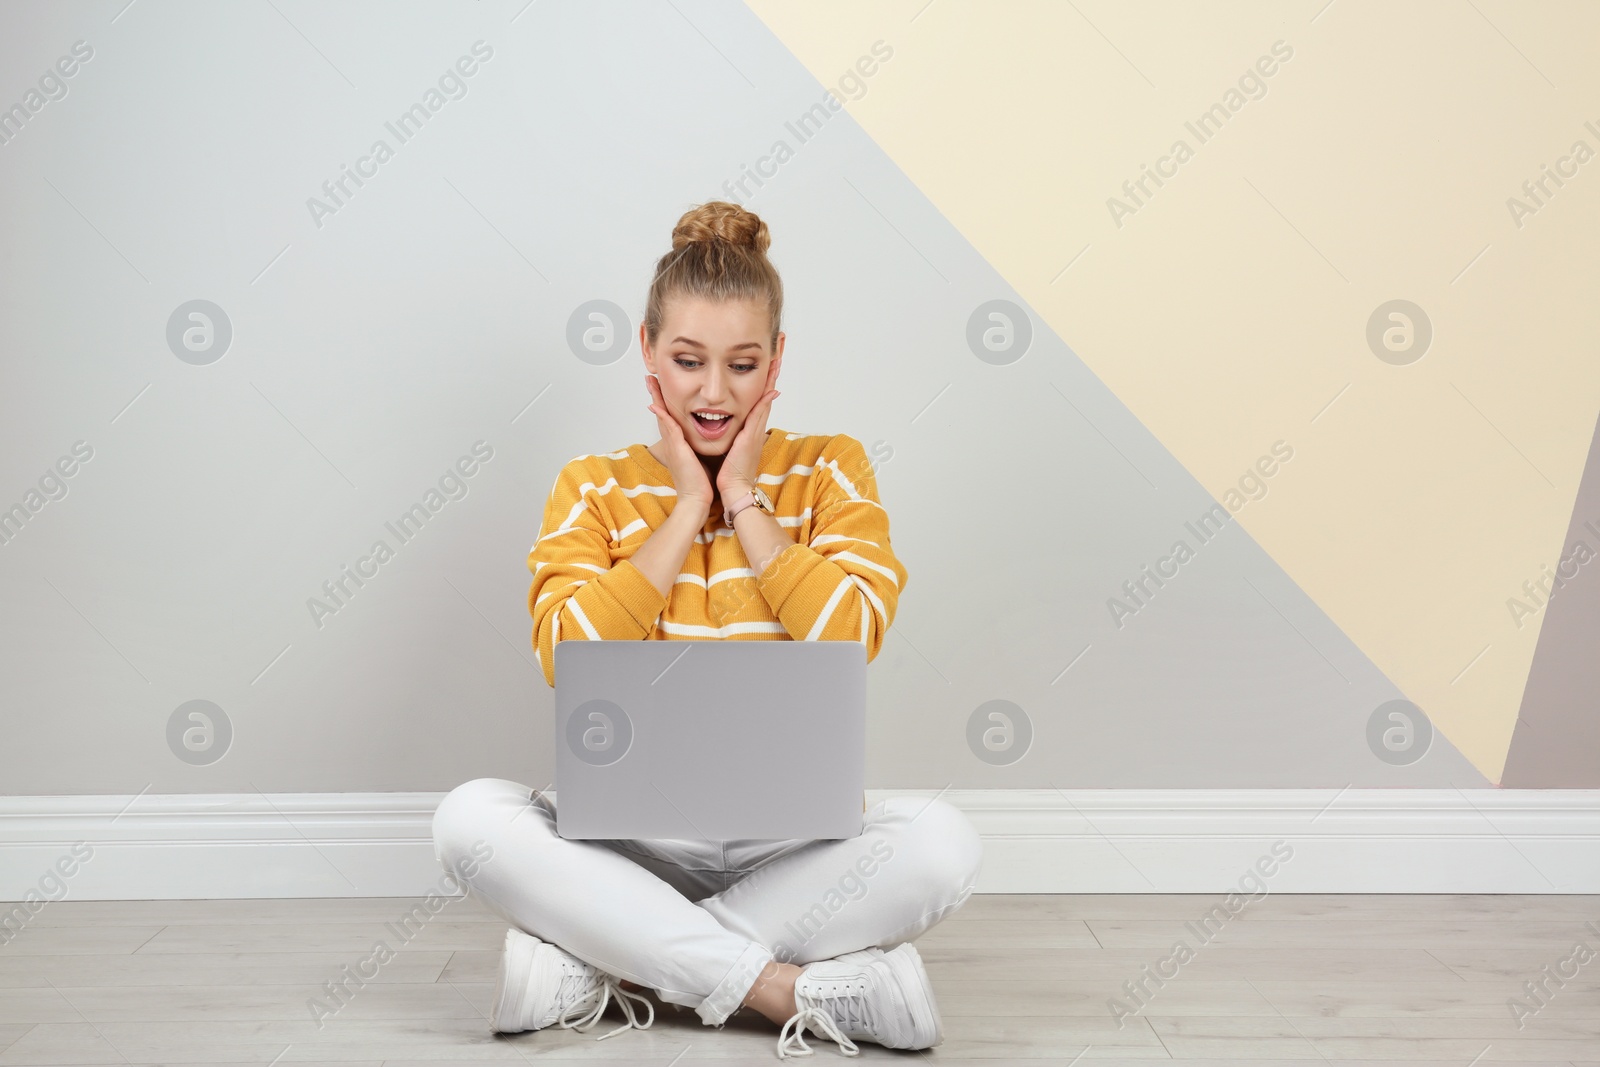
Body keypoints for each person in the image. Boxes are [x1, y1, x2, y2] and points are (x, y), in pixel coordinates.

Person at [431, 200, 983, 1059]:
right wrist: (688, 505)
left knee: (945, 844)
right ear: (647, 351)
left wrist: (743, 502)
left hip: (797, 842)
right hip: (631, 844)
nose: (715, 393)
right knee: (467, 820)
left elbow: (852, 629)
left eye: (742, 364)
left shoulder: (830, 467)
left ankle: (610, 964)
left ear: (777, 363)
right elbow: (565, 650)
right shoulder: (593, 484)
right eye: (687, 361)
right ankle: (781, 989)